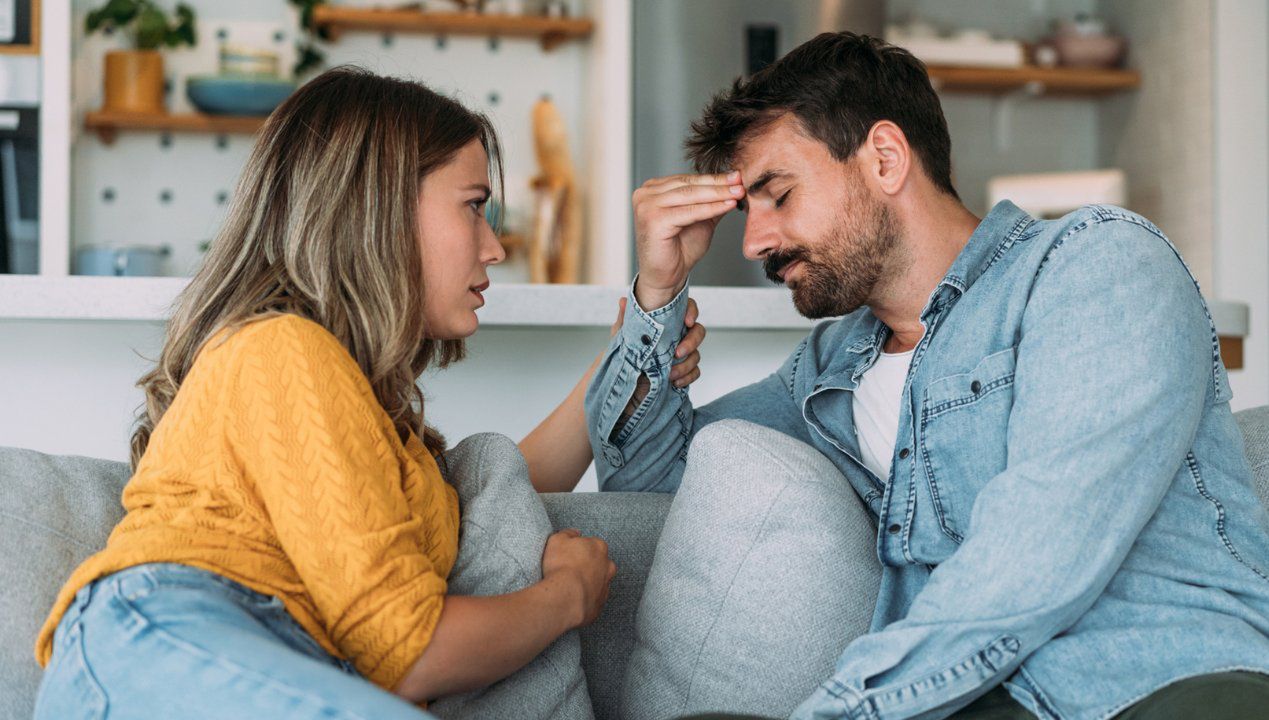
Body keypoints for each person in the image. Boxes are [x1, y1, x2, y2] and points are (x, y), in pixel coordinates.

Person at [585, 32, 1269, 720]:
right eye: (747, 210)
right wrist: (658, 290)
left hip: (1164, 683)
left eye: (778, 195)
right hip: (975, 700)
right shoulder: (830, 370)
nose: (754, 241)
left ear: (884, 159)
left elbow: (1033, 558)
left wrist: (839, 713)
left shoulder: (1095, 264)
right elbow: (651, 483)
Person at [31, 67, 707, 719]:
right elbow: (410, 653)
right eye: (473, 207)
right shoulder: (279, 349)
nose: (493, 247)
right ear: (377, 208)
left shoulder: (368, 420)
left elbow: (498, 487)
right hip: (170, 638)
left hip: (239, 652)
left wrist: (635, 350)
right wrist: (568, 595)